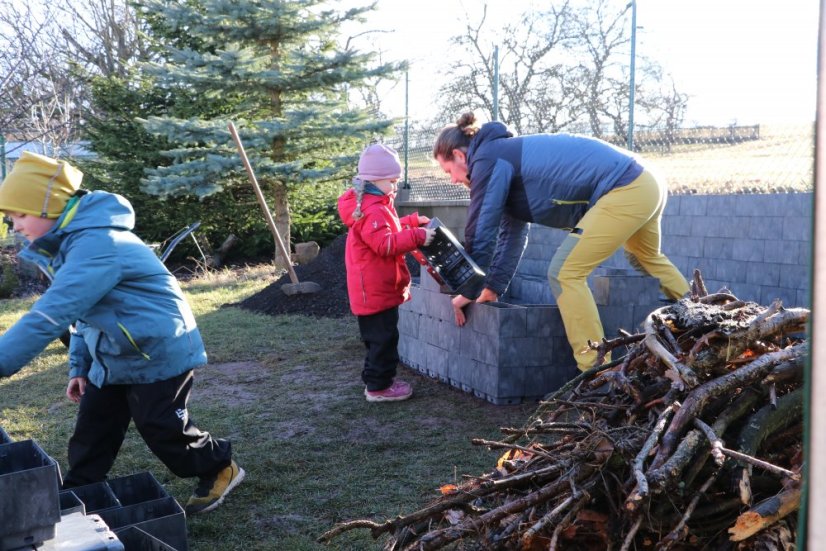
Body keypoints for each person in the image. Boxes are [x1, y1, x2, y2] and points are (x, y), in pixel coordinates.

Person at [0, 151, 243, 515]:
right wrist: (78, 367)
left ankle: (219, 465)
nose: (14, 227)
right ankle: (78, 494)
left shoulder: (98, 245)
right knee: (92, 430)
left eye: (19, 215)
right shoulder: (69, 247)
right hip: (111, 355)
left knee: (162, 427)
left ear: (48, 207)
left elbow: (52, 313)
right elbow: (82, 315)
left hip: (158, 350)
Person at [432, 112, 690, 372]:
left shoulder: (488, 160)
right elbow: (512, 234)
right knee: (644, 257)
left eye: (449, 170)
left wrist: (469, 287)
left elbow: (481, 229)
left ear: (459, 155)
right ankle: (707, 316)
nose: (453, 179)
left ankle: (596, 370)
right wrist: (493, 287)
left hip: (624, 186)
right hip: (646, 181)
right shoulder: (501, 157)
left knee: (565, 273)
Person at [338, 144, 435, 402]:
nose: (394, 187)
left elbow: (386, 230)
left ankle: (375, 381)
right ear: (374, 180)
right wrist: (418, 237)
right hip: (375, 290)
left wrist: (412, 222)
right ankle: (379, 388)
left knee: (379, 339)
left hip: (373, 289)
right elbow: (385, 243)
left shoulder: (373, 204)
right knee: (384, 340)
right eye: (392, 181)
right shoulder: (374, 209)